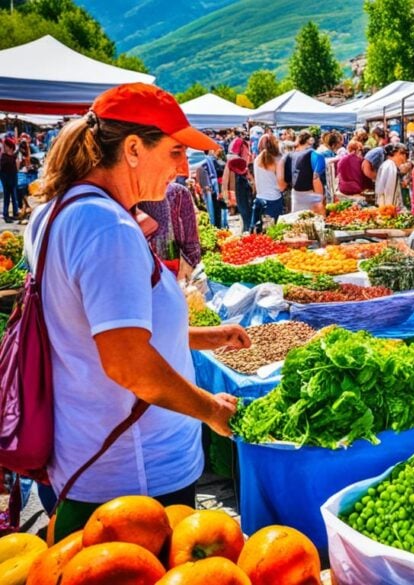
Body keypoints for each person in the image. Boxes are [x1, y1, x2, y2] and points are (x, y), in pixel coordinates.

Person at [22, 83, 250, 542]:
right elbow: (127, 361)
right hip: (132, 481)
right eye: (173, 153)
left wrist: (206, 336)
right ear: (131, 149)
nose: (185, 169)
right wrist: (210, 410)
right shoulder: (106, 227)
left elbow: (97, 331)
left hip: (92, 462)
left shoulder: (57, 211)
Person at [138, 177, 202, 280]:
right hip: (173, 274)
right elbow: (192, 245)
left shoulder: (117, 201)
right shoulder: (177, 192)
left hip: (143, 276)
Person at [252, 133, 286, 232]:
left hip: (259, 200)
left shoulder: (257, 160)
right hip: (274, 201)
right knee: (273, 233)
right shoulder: (278, 160)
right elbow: (281, 187)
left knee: (259, 234)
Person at [285, 130, 324, 214]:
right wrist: (320, 198)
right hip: (309, 194)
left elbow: (287, 179)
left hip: (295, 193)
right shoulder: (312, 153)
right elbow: (315, 178)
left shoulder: (291, 155)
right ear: (308, 141)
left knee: (297, 222)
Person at [223, 157, 254, 232]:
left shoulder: (231, 164)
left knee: (245, 215)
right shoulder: (243, 178)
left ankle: (248, 231)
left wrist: (226, 197)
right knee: (247, 215)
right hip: (243, 195)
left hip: (240, 195)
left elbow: (225, 182)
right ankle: (248, 230)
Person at [195, 150, 225, 228]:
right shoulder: (209, 158)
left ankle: (214, 225)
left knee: (210, 208)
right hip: (212, 184)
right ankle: (217, 226)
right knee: (214, 207)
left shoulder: (203, 160)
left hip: (207, 186)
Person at [375, 143, 408, 209]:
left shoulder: (387, 164)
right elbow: (389, 192)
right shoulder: (391, 167)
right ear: (394, 153)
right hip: (389, 209)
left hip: (385, 207)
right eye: (402, 153)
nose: (404, 157)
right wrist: (390, 210)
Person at [1, 137, 17, 223]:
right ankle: (6, 215)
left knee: (14, 197)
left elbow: (15, 168)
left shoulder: (14, 156)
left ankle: (15, 214)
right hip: (6, 178)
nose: (4, 147)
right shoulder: (3, 157)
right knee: (7, 197)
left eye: (6, 145)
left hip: (13, 177)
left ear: (10, 147)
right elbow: (1, 170)